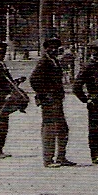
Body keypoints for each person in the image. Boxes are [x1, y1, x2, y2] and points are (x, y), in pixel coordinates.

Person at [29, 37, 76, 167]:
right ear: (46, 49)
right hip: (49, 101)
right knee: (49, 129)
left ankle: (61, 157)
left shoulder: (54, 61)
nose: (54, 50)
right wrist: (44, 95)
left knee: (62, 129)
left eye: (56, 47)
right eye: (51, 47)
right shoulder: (43, 62)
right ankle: (48, 159)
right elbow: (33, 80)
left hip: (57, 100)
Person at [0, 41, 27, 158]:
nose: (2, 54)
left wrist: (18, 81)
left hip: (4, 99)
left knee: (3, 125)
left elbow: (7, 83)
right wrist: (5, 94)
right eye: (0, 52)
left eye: (3, 52)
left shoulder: (2, 65)